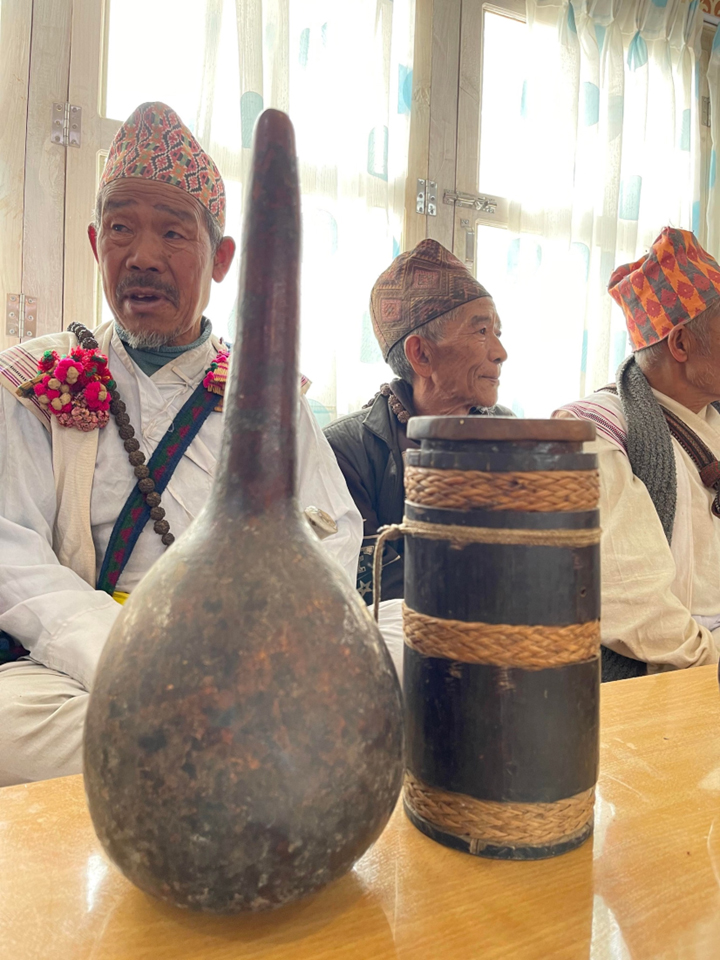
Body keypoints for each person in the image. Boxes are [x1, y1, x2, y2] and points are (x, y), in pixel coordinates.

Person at [0, 102, 363, 786]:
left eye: (172, 232)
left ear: (221, 259)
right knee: (9, 728)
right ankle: (228, 768)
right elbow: (10, 548)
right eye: (121, 229)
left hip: (245, 663)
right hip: (87, 670)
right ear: (95, 244)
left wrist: (258, 656)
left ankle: (197, 764)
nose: (142, 257)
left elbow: (334, 532)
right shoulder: (34, 380)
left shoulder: (270, 394)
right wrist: (129, 659)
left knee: (402, 642)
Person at [555, 227, 720, 680]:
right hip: (672, 678)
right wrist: (710, 662)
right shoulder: (590, 435)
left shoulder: (711, 416)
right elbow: (630, 601)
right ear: (681, 343)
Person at [325, 239, 511, 623]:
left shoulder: (511, 436)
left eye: (497, 332)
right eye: (481, 331)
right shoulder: (345, 451)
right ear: (421, 354)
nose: (500, 352)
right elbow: (375, 590)